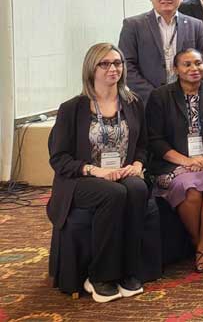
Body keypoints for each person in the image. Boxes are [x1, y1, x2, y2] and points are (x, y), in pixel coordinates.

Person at [48, 43, 148, 302]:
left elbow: (143, 145)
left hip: (123, 173)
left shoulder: (133, 103)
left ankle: (129, 269)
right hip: (81, 179)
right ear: (91, 69)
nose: (113, 68)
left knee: (138, 189)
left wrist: (137, 165)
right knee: (112, 194)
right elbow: (59, 159)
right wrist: (95, 171)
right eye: (104, 63)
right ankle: (100, 275)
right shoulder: (73, 108)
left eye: (117, 63)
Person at [146, 48, 203, 272]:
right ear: (176, 69)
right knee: (189, 189)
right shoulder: (160, 97)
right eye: (187, 64)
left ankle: (200, 247)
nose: (194, 69)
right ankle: (202, 246)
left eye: (198, 63)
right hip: (173, 164)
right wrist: (185, 161)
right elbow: (155, 140)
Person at [120, 0, 203, 102]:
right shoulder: (133, 25)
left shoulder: (196, 25)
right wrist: (155, 95)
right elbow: (126, 65)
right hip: (149, 101)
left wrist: (192, 87)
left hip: (189, 99)